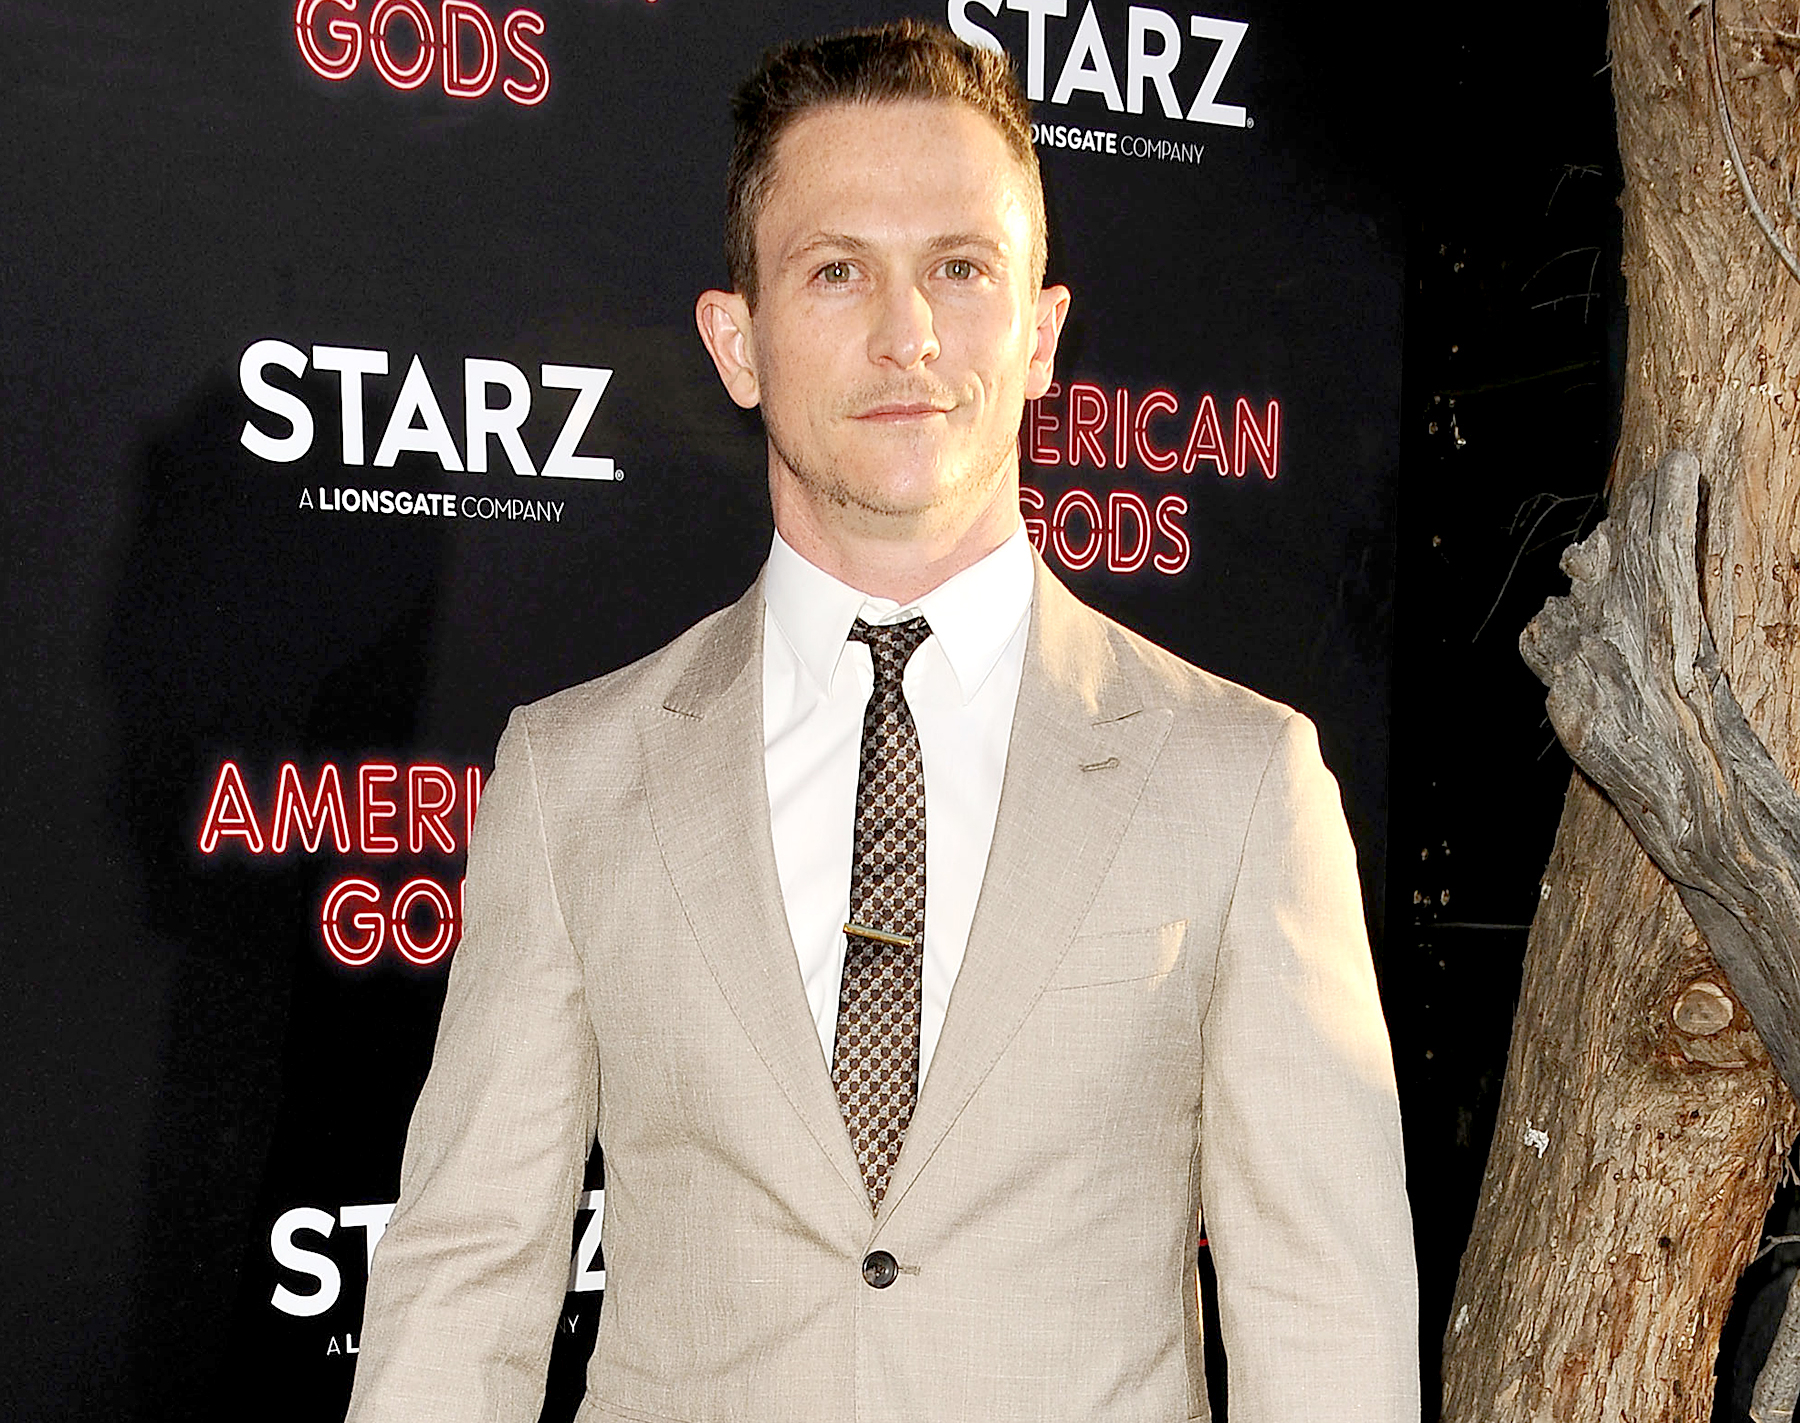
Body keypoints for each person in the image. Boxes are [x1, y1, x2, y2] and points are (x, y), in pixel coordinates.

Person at [345, 20, 1417, 1423]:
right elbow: (465, 1288)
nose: (907, 332)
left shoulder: (1237, 780)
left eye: (959, 269)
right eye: (837, 269)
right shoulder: (572, 776)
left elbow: (1326, 1321)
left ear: (1041, 333)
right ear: (736, 340)